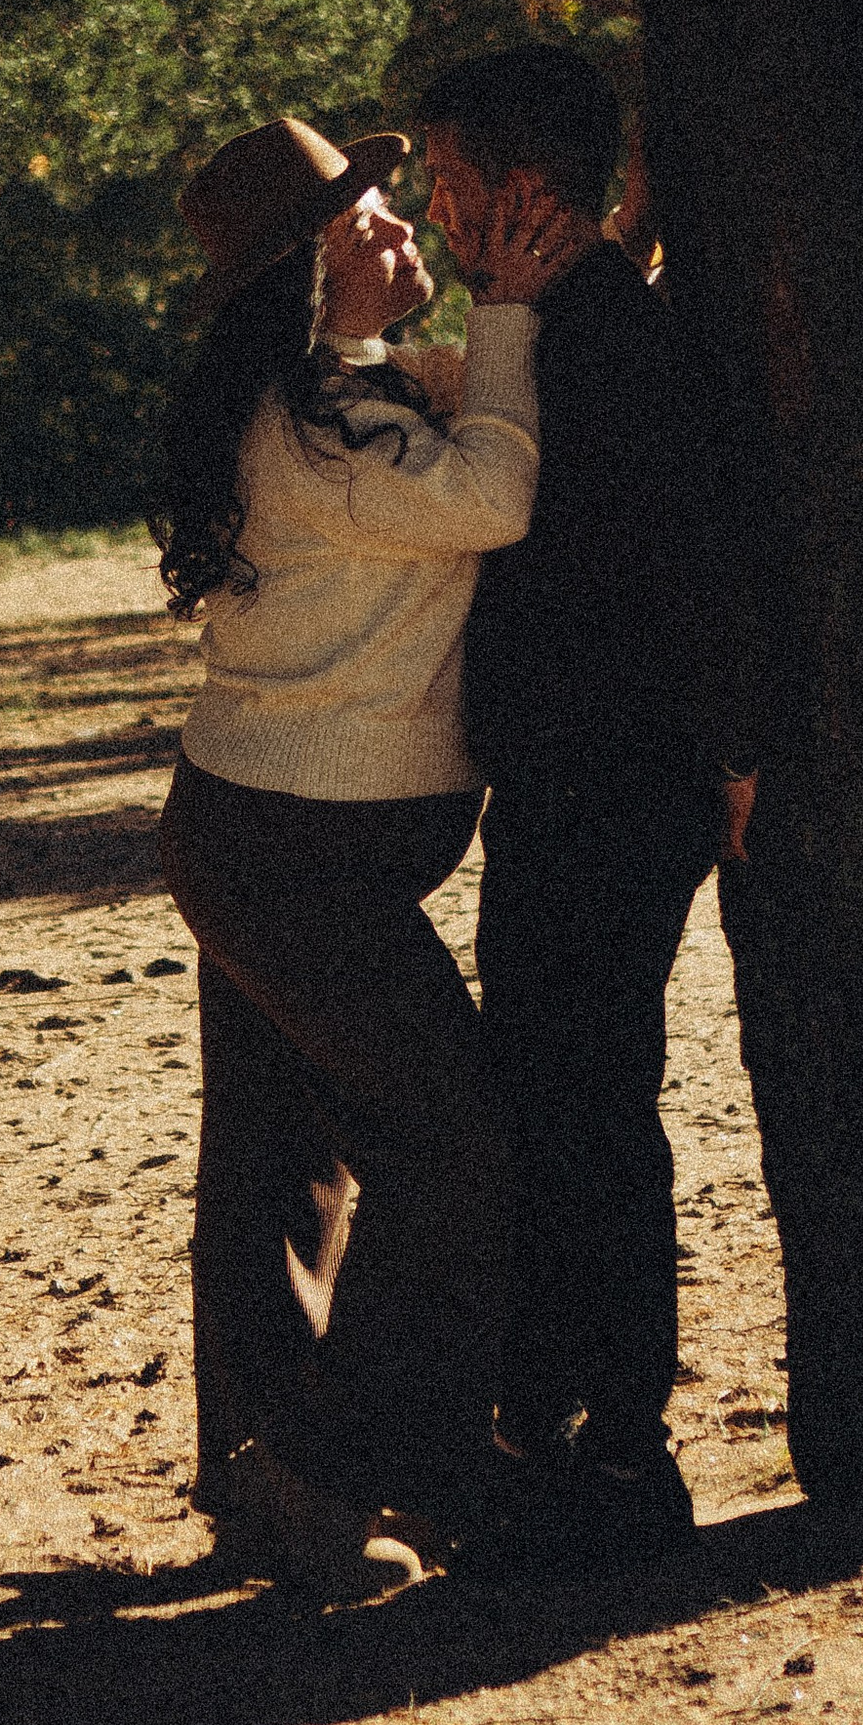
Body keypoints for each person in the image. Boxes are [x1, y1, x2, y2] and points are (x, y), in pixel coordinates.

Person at [152, 112, 568, 1596]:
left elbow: (431, 438)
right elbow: (494, 496)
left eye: (395, 206)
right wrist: (515, 317)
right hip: (290, 860)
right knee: (450, 1150)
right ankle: (346, 1464)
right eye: (370, 224)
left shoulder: (325, 400)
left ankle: (277, 1473)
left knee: (280, 1165)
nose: (404, 233)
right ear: (304, 278)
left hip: (257, 837)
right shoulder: (331, 432)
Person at [415, 45, 760, 1566]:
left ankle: (621, 1452)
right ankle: (561, 1427)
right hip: (570, 778)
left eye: (446, 179)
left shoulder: (604, 337)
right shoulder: (545, 320)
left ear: (524, 191)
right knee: (557, 1100)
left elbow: (701, 552)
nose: (429, 209)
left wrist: (734, 751)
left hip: (617, 783)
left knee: (588, 1110)